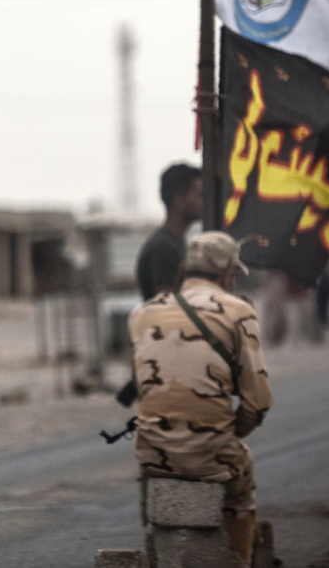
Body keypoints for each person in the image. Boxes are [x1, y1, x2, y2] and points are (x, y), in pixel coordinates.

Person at [129, 231, 273, 568]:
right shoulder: (238, 311)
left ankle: (155, 544)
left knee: (149, 474)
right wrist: (226, 433)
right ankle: (238, 559)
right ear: (228, 275)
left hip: (153, 454)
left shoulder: (140, 315)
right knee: (241, 482)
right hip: (214, 456)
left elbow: (145, 388)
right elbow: (258, 402)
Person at [135, 163, 203, 301]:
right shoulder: (164, 248)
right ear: (179, 201)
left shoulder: (175, 243)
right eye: (199, 195)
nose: (203, 202)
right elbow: (168, 307)